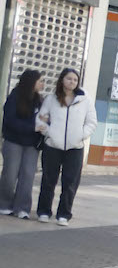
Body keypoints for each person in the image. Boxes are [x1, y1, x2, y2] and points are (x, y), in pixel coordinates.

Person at [33, 67, 93, 225]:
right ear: (62, 80)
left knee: (70, 183)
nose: (72, 82)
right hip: (52, 146)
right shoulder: (51, 99)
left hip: (75, 148)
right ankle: (44, 211)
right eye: (69, 78)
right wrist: (49, 132)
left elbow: (91, 122)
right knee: (48, 180)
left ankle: (64, 214)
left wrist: (81, 135)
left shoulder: (85, 100)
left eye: (75, 79)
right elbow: (41, 119)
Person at [2, 69, 44, 219]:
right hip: (13, 141)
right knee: (10, 174)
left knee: (28, 175)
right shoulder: (15, 97)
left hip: (32, 144)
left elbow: (44, 118)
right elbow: (10, 120)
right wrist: (32, 127)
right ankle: (4, 204)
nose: (42, 84)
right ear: (31, 82)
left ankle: (23, 207)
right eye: (40, 81)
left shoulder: (40, 100)